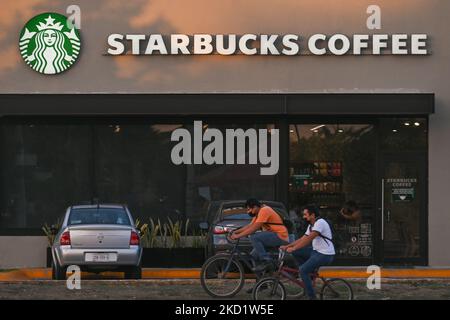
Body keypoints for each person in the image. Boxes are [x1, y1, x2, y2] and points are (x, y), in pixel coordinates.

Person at [281, 205, 335, 300]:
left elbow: (309, 239)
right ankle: (308, 276)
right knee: (297, 252)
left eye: (305, 215)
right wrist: (288, 246)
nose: (303, 217)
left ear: (312, 215)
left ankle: (312, 297)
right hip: (316, 251)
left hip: (325, 254)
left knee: (302, 270)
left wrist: (293, 248)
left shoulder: (320, 222)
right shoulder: (311, 225)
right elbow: (303, 238)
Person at [230, 198, 289, 272]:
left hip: (280, 236)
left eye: (249, 209)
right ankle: (263, 279)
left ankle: (266, 261)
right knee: (254, 256)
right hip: (273, 236)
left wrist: (238, 236)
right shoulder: (258, 213)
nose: (249, 212)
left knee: (254, 237)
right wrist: (236, 231)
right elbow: (249, 226)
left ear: (255, 207)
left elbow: (253, 229)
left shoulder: (264, 210)